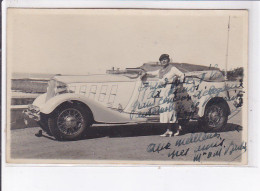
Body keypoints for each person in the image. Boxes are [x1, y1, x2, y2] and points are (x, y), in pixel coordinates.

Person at [142, 54, 183, 137]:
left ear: (168, 60)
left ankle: (177, 127)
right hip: (163, 91)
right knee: (165, 112)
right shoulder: (160, 71)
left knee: (171, 111)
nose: (163, 61)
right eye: (162, 60)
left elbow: (182, 75)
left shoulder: (173, 69)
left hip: (170, 90)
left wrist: (179, 84)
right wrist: (145, 73)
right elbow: (152, 73)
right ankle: (169, 130)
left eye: (165, 59)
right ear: (160, 62)